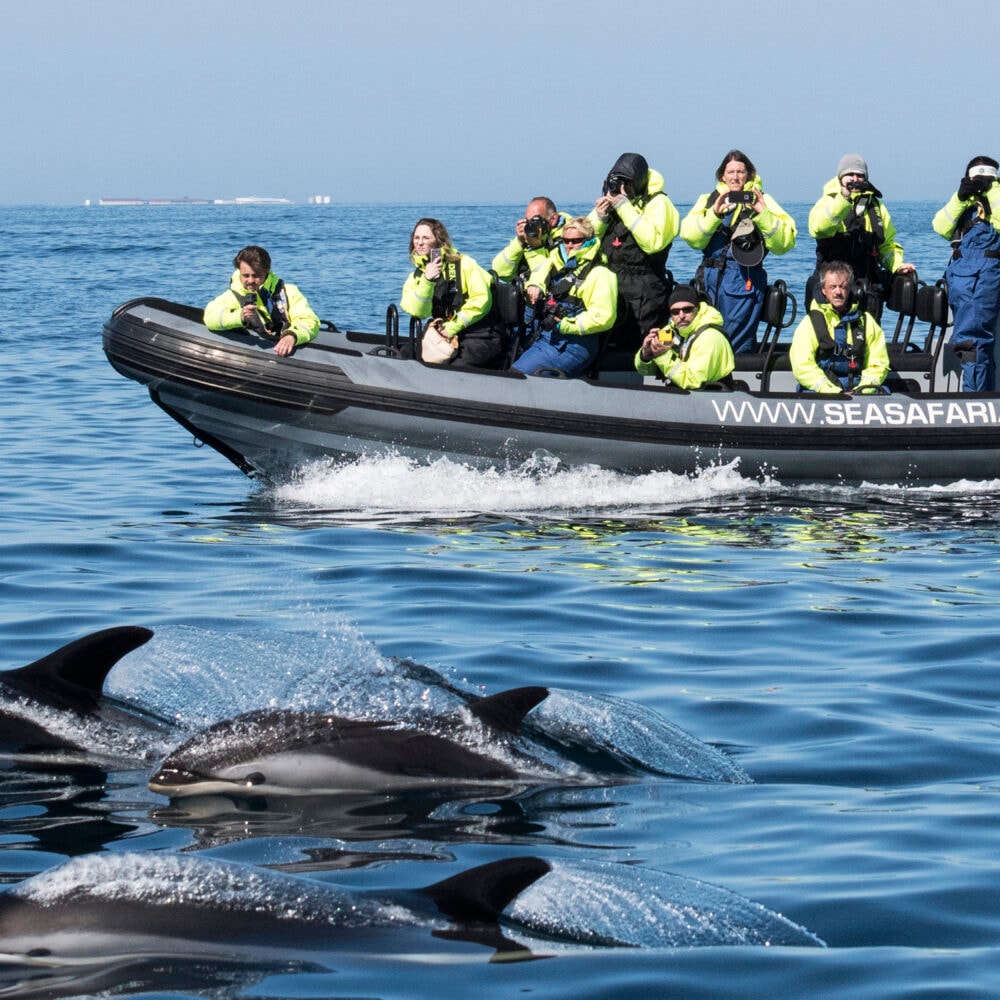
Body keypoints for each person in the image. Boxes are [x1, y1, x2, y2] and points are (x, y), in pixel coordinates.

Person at [680, 149, 796, 354]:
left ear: (749, 175)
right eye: (730, 172)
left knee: (736, 345)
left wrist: (762, 214)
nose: (735, 177)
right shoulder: (709, 200)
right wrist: (714, 214)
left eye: (740, 172)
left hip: (744, 280)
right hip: (707, 280)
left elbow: (784, 243)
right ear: (722, 176)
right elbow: (691, 237)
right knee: (704, 338)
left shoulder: (763, 200)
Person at [589, 152, 679, 352]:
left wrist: (624, 206)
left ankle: (661, 367)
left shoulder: (660, 203)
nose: (621, 188)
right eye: (616, 182)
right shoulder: (612, 203)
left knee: (651, 343)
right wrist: (600, 217)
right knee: (611, 346)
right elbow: (581, 244)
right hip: (614, 287)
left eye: (626, 182)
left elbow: (653, 243)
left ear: (638, 182)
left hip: (647, 291)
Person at [512, 217, 618, 378]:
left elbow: (603, 318)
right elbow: (539, 272)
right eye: (566, 241)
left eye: (575, 241)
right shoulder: (554, 261)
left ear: (589, 240)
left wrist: (564, 325)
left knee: (517, 375)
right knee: (506, 361)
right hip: (546, 335)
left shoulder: (600, 274)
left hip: (574, 345)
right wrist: (535, 285)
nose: (569, 245)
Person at [808, 154, 915, 306]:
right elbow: (818, 227)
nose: (855, 179)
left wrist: (897, 266)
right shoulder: (828, 201)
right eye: (850, 174)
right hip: (833, 290)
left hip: (866, 289)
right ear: (840, 177)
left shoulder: (876, 207)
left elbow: (887, 246)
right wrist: (843, 199)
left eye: (859, 175)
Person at [932, 155, 1000, 392]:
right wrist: (961, 198)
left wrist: (992, 189)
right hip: (962, 280)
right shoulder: (964, 203)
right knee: (972, 343)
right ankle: (984, 398)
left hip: (980, 280)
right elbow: (940, 227)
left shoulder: (996, 199)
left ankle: (974, 400)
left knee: (973, 342)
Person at [400, 218, 504, 369]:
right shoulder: (417, 276)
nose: (420, 243)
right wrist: (427, 281)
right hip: (442, 335)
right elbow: (419, 312)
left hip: (481, 335)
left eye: (426, 238)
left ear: (438, 240)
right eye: (416, 238)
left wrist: (452, 327)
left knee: (455, 367)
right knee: (406, 354)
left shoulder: (464, 264)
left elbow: (482, 300)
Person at [789, 261, 890, 394]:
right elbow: (802, 366)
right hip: (822, 391)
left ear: (850, 289)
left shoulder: (866, 321)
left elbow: (879, 363)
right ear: (823, 290)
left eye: (843, 287)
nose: (838, 292)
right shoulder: (810, 323)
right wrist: (833, 392)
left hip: (861, 390)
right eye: (832, 287)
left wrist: (863, 391)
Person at [203, 245, 319, 356]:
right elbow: (210, 317)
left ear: (267, 272)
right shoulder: (232, 296)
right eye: (246, 275)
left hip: (287, 351)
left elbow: (309, 320)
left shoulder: (289, 292)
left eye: (256, 276)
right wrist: (240, 316)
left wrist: (292, 335)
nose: (250, 281)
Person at [634, 285, 735, 389]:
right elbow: (645, 372)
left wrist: (662, 355)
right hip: (678, 393)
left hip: (710, 394)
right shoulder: (668, 332)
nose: (681, 316)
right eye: (675, 312)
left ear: (698, 309)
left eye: (687, 310)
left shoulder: (710, 337)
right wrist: (647, 355)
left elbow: (693, 382)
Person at [492, 197, 569, 282]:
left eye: (536, 221)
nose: (532, 225)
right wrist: (519, 243)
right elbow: (500, 272)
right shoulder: (528, 237)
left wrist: (536, 248)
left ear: (553, 219)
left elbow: (556, 280)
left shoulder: (570, 240)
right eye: (528, 221)